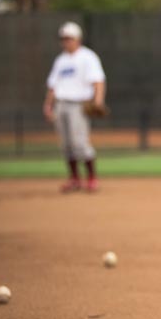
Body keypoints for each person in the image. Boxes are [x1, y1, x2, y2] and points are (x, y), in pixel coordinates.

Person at [42, 22, 107, 193]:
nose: (65, 42)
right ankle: (74, 179)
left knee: (80, 143)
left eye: (69, 38)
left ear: (77, 39)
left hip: (78, 105)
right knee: (66, 145)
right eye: (63, 39)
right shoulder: (60, 60)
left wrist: (98, 100)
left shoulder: (87, 57)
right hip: (61, 104)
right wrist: (48, 105)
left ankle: (92, 178)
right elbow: (53, 85)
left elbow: (98, 80)